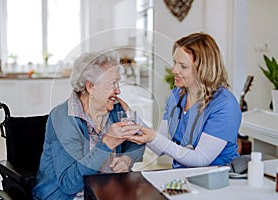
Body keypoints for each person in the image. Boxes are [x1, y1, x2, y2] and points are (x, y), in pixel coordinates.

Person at [32, 52, 145, 199]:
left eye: (118, 83)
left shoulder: (116, 108)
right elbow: (69, 184)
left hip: (106, 191)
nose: (118, 90)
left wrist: (127, 159)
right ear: (91, 86)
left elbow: (138, 141)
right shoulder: (64, 117)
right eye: (113, 83)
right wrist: (106, 143)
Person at [125, 32, 241, 168]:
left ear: (203, 69)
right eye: (174, 62)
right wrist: (131, 116)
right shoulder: (176, 95)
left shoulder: (225, 105)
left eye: (183, 66)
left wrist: (154, 137)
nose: (174, 70)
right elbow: (160, 147)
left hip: (218, 179)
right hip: (182, 177)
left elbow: (201, 159)